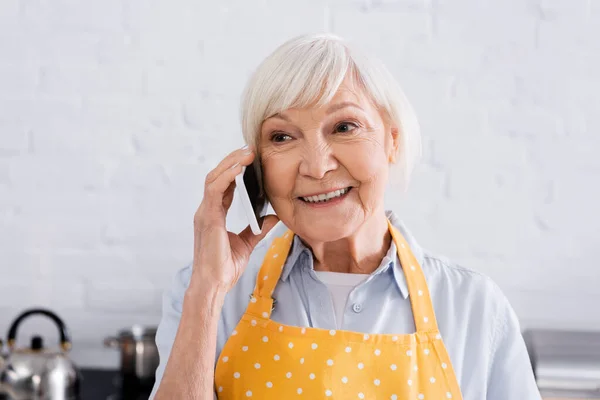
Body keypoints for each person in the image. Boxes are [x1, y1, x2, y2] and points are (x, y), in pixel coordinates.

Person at [149, 33, 541, 399]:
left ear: (392, 140)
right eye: (282, 137)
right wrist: (206, 291)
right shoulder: (208, 295)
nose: (317, 167)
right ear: (256, 165)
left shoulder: (473, 307)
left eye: (344, 127)